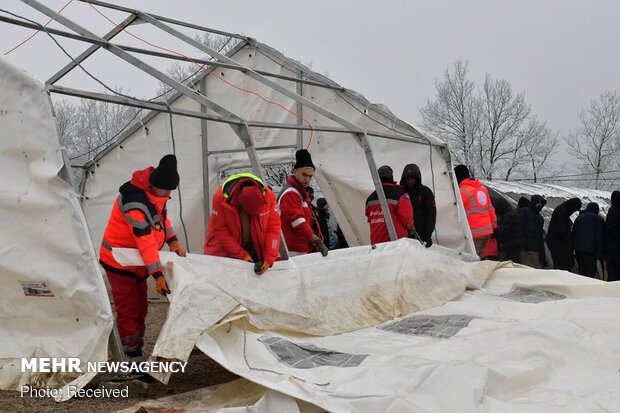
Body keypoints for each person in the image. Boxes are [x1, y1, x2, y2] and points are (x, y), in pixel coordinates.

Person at [99, 154, 187, 357]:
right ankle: (128, 357)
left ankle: (135, 349)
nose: (167, 194)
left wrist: (172, 240)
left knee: (141, 308)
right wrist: (157, 275)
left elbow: (162, 219)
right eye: (165, 190)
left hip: (137, 263)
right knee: (129, 309)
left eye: (170, 191)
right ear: (155, 185)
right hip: (119, 262)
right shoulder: (134, 202)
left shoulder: (156, 195)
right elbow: (145, 241)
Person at [204, 173, 281, 275]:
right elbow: (220, 230)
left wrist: (269, 258)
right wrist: (241, 255)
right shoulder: (220, 197)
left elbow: (273, 228)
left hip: (252, 248)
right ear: (240, 203)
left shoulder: (269, 196)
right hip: (222, 252)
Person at [278, 149, 328, 256]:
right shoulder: (291, 193)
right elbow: (298, 222)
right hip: (291, 250)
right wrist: (316, 240)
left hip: (298, 247)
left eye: (310, 176)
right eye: (304, 175)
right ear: (295, 171)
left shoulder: (301, 194)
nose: (307, 179)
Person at [454, 165, 497, 256]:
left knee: (473, 259)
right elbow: (490, 210)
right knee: (479, 257)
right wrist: (494, 226)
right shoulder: (482, 188)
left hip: (475, 233)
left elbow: (454, 209)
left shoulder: (463, 191)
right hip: (487, 232)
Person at [365, 165, 414, 244]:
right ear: (392, 177)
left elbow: (369, 218)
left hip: (376, 242)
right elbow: (407, 219)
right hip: (396, 241)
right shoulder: (401, 195)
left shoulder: (370, 198)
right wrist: (411, 230)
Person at [399, 163, 436, 248]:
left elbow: (431, 215)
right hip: (403, 235)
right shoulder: (400, 192)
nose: (409, 181)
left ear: (417, 179)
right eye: (407, 179)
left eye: (412, 179)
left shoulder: (426, 192)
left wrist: (427, 234)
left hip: (421, 235)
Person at [546, 198, 582, 271]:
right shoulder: (562, 211)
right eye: (575, 209)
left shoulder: (562, 210)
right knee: (562, 268)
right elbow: (561, 230)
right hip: (559, 246)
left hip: (556, 244)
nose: (574, 211)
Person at [572, 202, 605, 278]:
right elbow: (600, 237)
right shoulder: (598, 219)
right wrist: (600, 253)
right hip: (591, 251)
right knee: (590, 273)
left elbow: (573, 233)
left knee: (581, 271)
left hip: (578, 249)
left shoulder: (579, 218)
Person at [520, 194, 547, 269]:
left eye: (541, 203)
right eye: (538, 202)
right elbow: (520, 228)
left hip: (534, 248)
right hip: (525, 248)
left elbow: (539, 236)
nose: (540, 205)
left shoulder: (540, 218)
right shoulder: (524, 212)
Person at [494, 196, 523, 263]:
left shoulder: (507, 217)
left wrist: (495, 233)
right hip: (516, 246)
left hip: (509, 247)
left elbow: (504, 234)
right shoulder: (513, 214)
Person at [605, 191, 620, 281]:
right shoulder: (615, 211)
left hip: (612, 247)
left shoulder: (613, 210)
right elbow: (612, 228)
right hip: (615, 248)